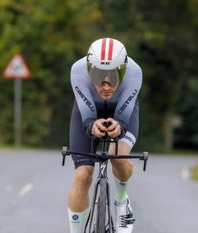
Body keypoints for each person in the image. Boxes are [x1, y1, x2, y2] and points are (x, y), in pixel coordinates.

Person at [67, 38, 142, 233]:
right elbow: (86, 114)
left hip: (122, 111)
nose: (106, 85)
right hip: (88, 113)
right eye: (99, 76)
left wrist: (121, 126)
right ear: (89, 68)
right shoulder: (77, 70)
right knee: (82, 175)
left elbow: (124, 118)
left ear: (124, 70)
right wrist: (91, 124)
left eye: (113, 77)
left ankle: (122, 200)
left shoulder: (134, 72)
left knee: (118, 159)